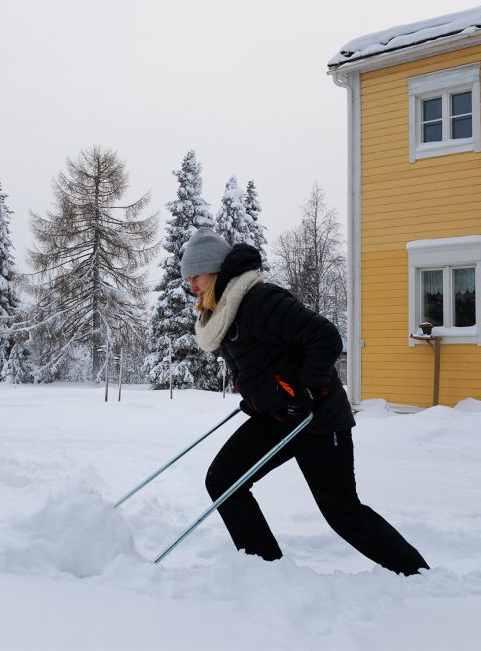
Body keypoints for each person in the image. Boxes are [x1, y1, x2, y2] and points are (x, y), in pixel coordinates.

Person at [180, 228, 429, 576]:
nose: (191, 285)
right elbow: (265, 362)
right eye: (187, 278)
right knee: (224, 481)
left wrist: (307, 394)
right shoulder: (225, 312)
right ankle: (266, 568)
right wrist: (259, 399)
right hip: (279, 418)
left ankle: (416, 573)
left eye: (195, 276)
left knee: (342, 513)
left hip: (318, 419)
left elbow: (324, 337)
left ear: (216, 272)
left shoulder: (258, 300)